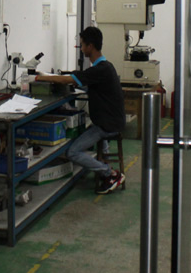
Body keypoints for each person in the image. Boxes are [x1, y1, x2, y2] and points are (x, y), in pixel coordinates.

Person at [34, 26, 126, 194]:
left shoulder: (99, 69)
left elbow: (68, 80)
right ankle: (104, 162)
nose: (81, 48)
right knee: (87, 130)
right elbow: (84, 81)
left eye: (82, 44)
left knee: (72, 152)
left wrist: (40, 77)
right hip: (112, 120)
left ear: (90, 46)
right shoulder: (105, 66)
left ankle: (110, 174)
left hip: (106, 125)